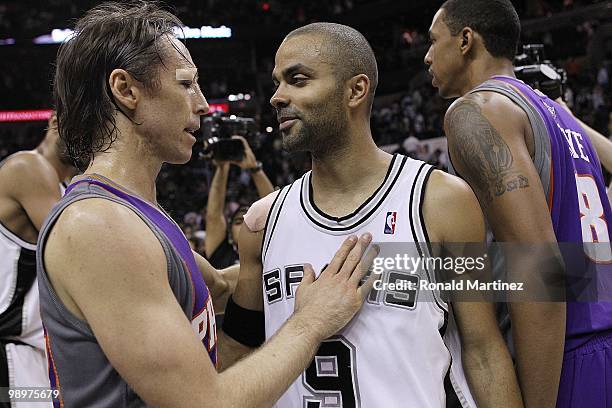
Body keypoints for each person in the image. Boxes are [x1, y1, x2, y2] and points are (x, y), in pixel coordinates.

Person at [37, 2, 379, 407]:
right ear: (126, 90)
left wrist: (293, 235)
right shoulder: (96, 225)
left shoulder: (135, 214)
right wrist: (312, 321)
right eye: (186, 84)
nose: (202, 104)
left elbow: (217, 287)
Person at [221, 22, 522, 407]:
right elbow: (238, 356)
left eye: (297, 79)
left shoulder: (442, 201)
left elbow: (483, 352)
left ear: (356, 90)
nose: (277, 97)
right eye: (278, 82)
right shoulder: (262, 225)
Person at [424, 0, 612, 406]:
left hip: (564, 353)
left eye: (432, 41)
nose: (426, 56)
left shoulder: (477, 111)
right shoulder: (559, 115)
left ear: (465, 40)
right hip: (600, 333)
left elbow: (538, 263)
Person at [0, 113, 77, 407]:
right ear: (57, 120)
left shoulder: (64, 191)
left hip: (34, 357)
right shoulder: (27, 167)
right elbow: (82, 251)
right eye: (79, 119)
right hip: (9, 358)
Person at [205, 137, 274, 268]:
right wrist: (222, 167)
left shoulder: (271, 251)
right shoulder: (222, 253)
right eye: (238, 222)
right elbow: (213, 216)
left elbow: (274, 209)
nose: (245, 224)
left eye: (251, 220)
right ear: (230, 235)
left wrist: (255, 169)